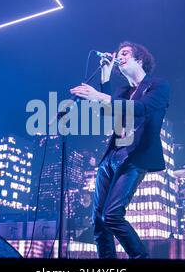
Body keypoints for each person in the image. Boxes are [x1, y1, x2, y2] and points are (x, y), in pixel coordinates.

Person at [70, 41, 170, 258]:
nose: (120, 57)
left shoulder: (158, 86)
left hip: (135, 157)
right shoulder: (122, 91)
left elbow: (141, 108)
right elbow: (109, 115)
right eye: (119, 54)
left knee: (112, 215)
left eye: (125, 53)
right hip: (111, 157)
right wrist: (105, 77)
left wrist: (99, 96)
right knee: (99, 222)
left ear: (139, 59)